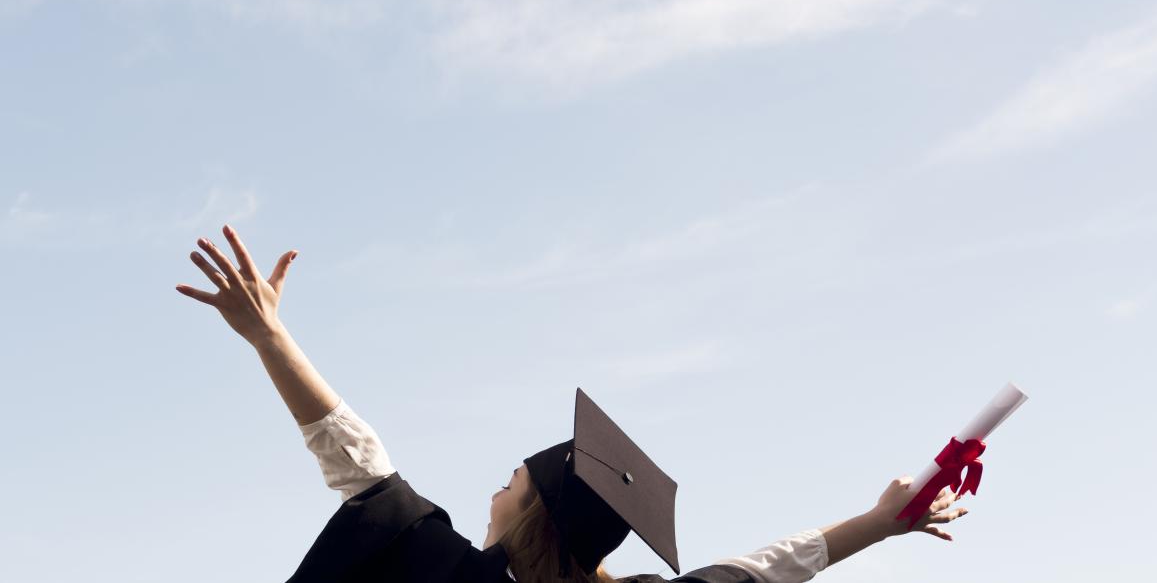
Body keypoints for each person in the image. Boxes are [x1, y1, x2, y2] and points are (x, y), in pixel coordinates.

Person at [177, 225, 970, 582]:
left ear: (530, 518)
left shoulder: (457, 576)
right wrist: (878, 522)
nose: (494, 490)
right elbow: (760, 571)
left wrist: (270, 339)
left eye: (510, 481)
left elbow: (359, 465)